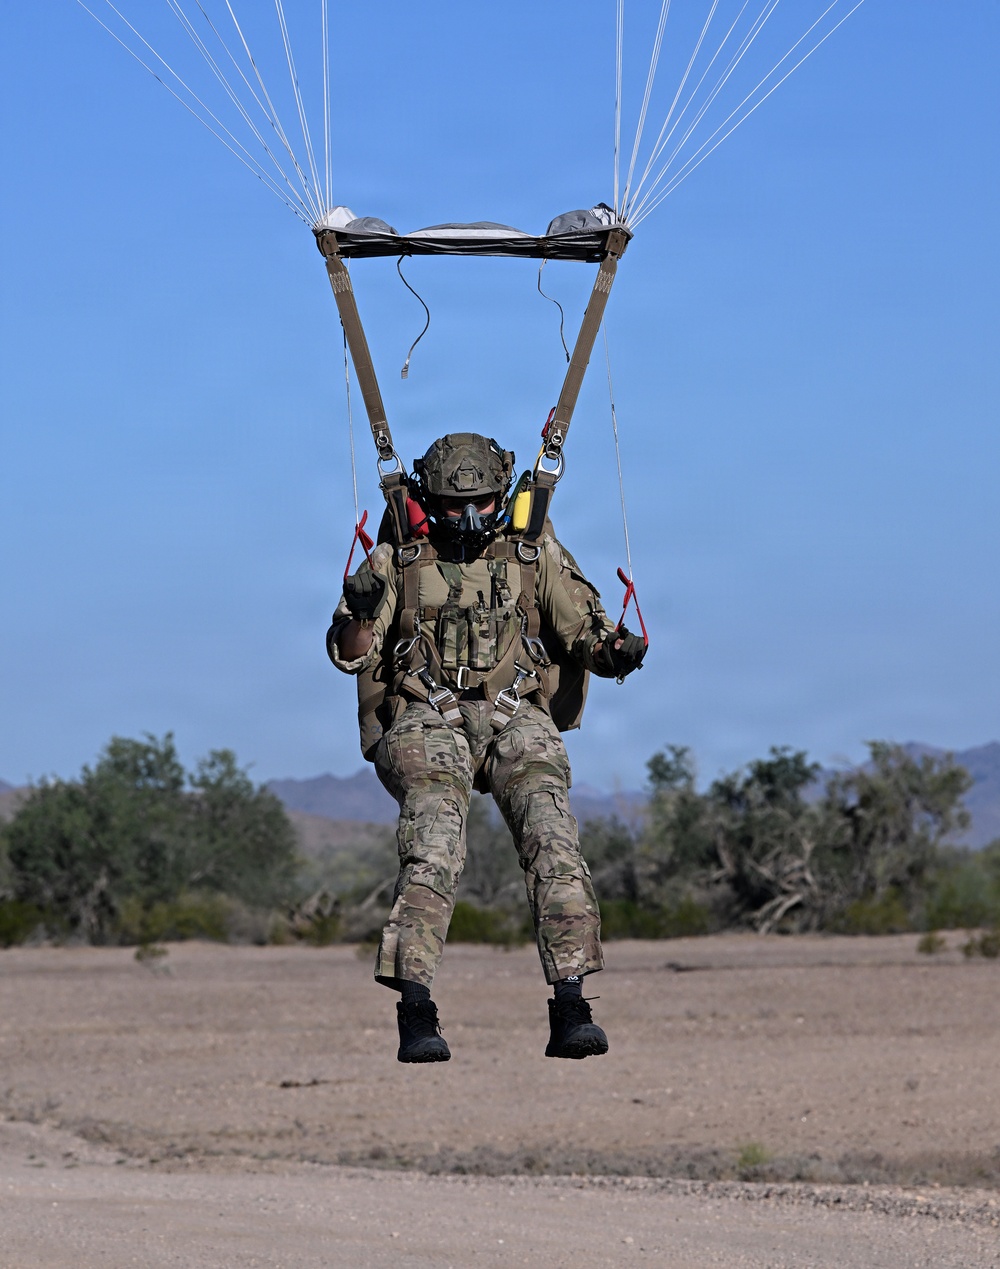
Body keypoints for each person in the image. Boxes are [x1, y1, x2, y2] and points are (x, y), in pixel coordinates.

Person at [327, 433, 645, 1063]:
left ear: (505, 495)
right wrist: (360, 613)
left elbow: (585, 634)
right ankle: (416, 1011)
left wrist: (617, 652)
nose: (469, 517)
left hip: (515, 711)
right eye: (453, 506)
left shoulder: (533, 551)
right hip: (426, 715)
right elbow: (351, 654)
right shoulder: (397, 557)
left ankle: (572, 1005)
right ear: (428, 499)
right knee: (434, 847)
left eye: (483, 503)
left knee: (554, 840)